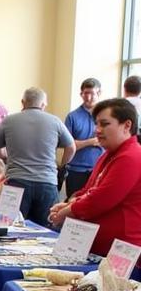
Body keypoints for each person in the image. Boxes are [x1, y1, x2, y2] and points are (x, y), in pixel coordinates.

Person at [48, 98, 141, 255]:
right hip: (96, 246)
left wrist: (66, 211)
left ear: (127, 125)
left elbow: (102, 199)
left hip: (121, 251)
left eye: (104, 124)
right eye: (96, 124)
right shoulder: (108, 155)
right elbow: (88, 190)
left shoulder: (132, 156)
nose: (97, 130)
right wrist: (69, 203)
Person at [0, 87, 75, 224]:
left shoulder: (9, 121)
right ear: (43, 104)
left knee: (7, 226)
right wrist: (61, 165)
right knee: (46, 231)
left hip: (16, 181)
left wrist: (5, 158)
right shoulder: (55, 121)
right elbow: (71, 147)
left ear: (23, 102)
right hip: (47, 182)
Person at [63, 78, 102, 198]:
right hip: (76, 171)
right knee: (73, 206)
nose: (89, 97)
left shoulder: (105, 115)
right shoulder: (72, 117)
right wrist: (91, 142)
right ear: (81, 94)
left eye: (92, 93)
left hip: (99, 170)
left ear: (99, 93)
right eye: (86, 93)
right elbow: (68, 144)